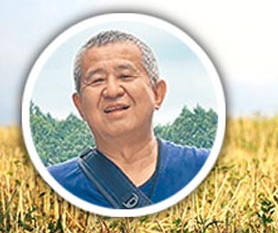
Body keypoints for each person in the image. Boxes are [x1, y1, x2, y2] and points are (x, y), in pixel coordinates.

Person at [48, 30, 210, 209]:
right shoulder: (49, 187)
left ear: (157, 93)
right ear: (79, 106)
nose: (112, 91)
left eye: (125, 76)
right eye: (97, 80)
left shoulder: (206, 168)